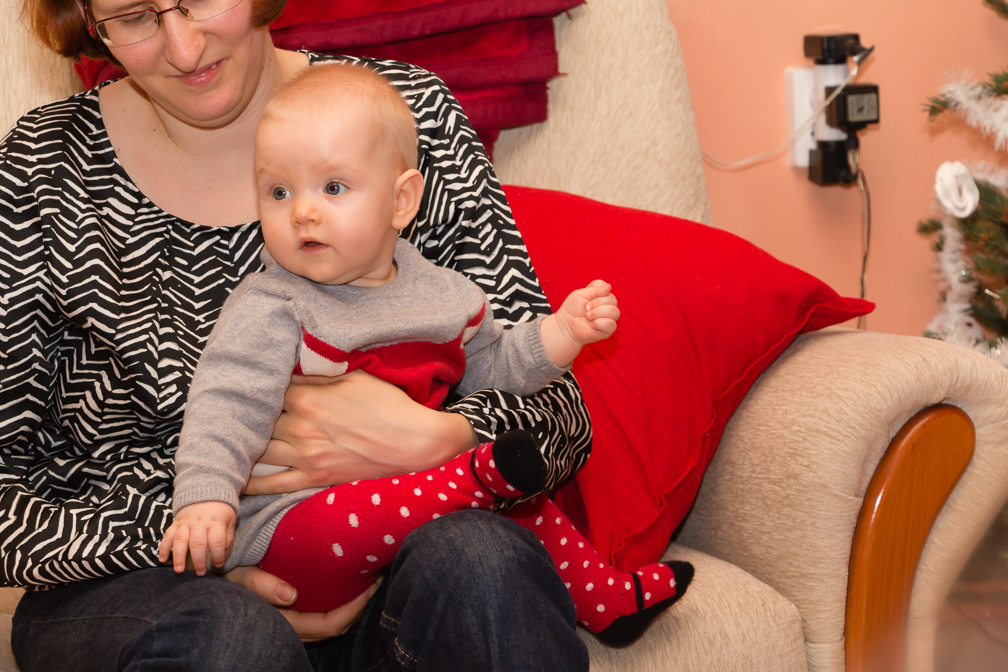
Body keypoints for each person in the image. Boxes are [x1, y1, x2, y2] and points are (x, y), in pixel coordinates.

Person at [1, 0, 598, 669]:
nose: (185, 47)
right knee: (230, 639)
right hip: (135, 583)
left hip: (397, 552)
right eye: (135, 14)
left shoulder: (407, 113)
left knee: (485, 565)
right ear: (87, 18)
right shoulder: (43, 168)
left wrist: (442, 438)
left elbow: (557, 417)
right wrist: (218, 544)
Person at [160, 63, 691, 645]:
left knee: (516, 505)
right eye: (279, 192)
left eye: (332, 188)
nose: (302, 212)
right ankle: (470, 480)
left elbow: (495, 367)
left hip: (414, 533)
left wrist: (561, 333)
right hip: (295, 530)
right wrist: (205, 499)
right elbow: (225, 402)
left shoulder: (444, 295)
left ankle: (606, 600)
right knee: (491, 484)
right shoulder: (273, 303)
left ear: (401, 200)